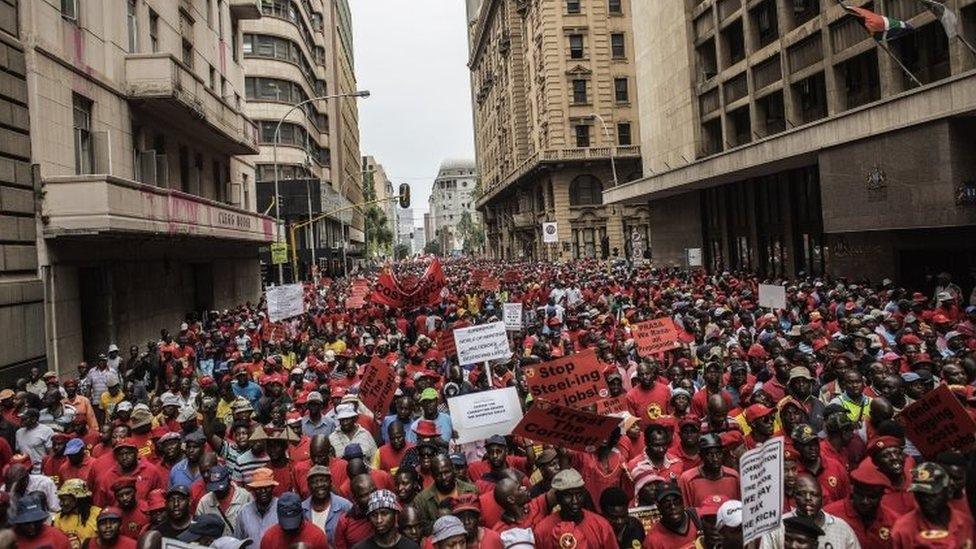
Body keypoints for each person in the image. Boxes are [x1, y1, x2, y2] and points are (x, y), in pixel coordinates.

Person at [890, 462, 975, 548]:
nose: (925, 499)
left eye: (933, 494)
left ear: (949, 491)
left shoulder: (965, 522)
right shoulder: (902, 530)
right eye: (920, 493)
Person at [532, 469, 616, 549]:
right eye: (568, 495)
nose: (575, 501)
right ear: (558, 497)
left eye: (579, 495)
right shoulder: (542, 530)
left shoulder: (601, 526)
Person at [823, 461, 897, 549]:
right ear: (852, 491)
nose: (865, 501)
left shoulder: (892, 521)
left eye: (872, 497)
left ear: (881, 496)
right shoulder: (830, 515)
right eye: (860, 495)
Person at [414, 454, 479, 531]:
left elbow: (477, 519)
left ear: (453, 469)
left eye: (447, 472)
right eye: (439, 474)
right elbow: (423, 528)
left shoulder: (470, 490)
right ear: (433, 475)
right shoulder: (422, 499)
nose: (444, 477)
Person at [678, 433, 739, 505]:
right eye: (710, 454)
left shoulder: (733, 477)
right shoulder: (688, 479)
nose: (715, 458)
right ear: (701, 456)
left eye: (718, 453)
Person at [194, 464, 253, 537]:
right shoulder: (205, 502)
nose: (218, 491)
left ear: (229, 481)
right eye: (214, 488)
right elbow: (197, 529)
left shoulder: (245, 496)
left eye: (221, 488)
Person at [302, 464, 354, 542]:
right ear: (309, 486)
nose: (319, 485)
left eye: (323, 480)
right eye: (314, 482)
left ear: (330, 483)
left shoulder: (345, 506)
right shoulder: (302, 509)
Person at [352, 489, 419, 549]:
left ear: (395, 514)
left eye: (384, 513)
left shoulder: (411, 547)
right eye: (374, 515)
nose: (379, 520)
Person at [261, 492, 330, 547]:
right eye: (286, 523)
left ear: (302, 513)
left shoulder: (317, 537)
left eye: (293, 521)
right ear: (278, 515)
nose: (290, 529)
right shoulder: (269, 538)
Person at [643, 481, 699, 548]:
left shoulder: (698, 517)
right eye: (666, 504)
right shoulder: (653, 541)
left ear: (682, 502)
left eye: (676, 501)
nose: (673, 507)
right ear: (659, 507)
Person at [235, 467, 280, 543]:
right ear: (253, 490)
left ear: (273, 488)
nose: (263, 491)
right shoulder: (244, 512)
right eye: (259, 488)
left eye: (267, 487)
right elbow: (237, 541)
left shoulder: (281, 508)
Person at [53, 478, 100, 548]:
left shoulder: (98, 514)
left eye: (64, 499)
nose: (60, 504)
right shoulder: (58, 518)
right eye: (60, 499)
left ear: (77, 499)